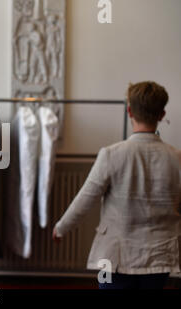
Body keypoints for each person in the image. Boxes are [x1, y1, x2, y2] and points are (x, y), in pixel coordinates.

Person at [53, 81, 181, 289]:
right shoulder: (177, 159)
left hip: (114, 258)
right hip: (160, 257)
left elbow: (86, 198)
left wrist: (61, 228)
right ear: (162, 114)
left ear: (129, 110)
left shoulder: (112, 154)